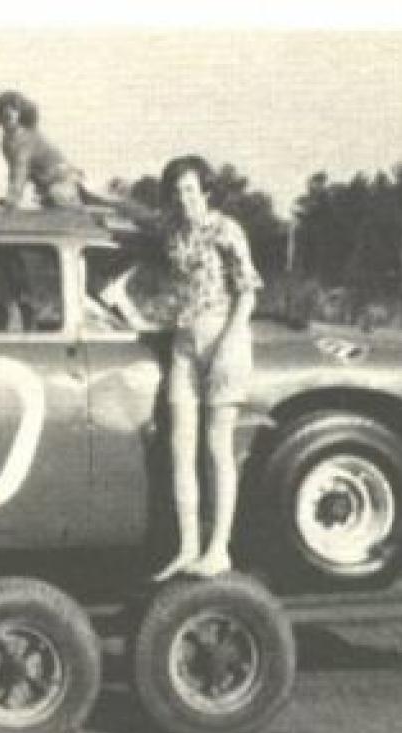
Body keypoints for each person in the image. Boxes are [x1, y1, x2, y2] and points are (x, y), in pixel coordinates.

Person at [152, 155, 265, 580]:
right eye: (177, 191)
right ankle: (187, 546)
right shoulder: (174, 233)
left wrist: (229, 342)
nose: (183, 198)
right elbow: (139, 217)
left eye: (190, 189)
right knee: (181, 448)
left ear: (205, 191)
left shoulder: (225, 229)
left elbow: (247, 291)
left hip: (224, 335)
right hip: (184, 339)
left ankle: (219, 548)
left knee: (218, 448)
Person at [0, 90, 87, 208]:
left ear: (21, 113)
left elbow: (20, 171)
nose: (8, 112)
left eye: (14, 108)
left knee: (56, 195)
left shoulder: (25, 139)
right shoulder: (7, 142)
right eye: (3, 110)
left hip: (63, 183)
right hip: (48, 187)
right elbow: (15, 172)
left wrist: (12, 199)